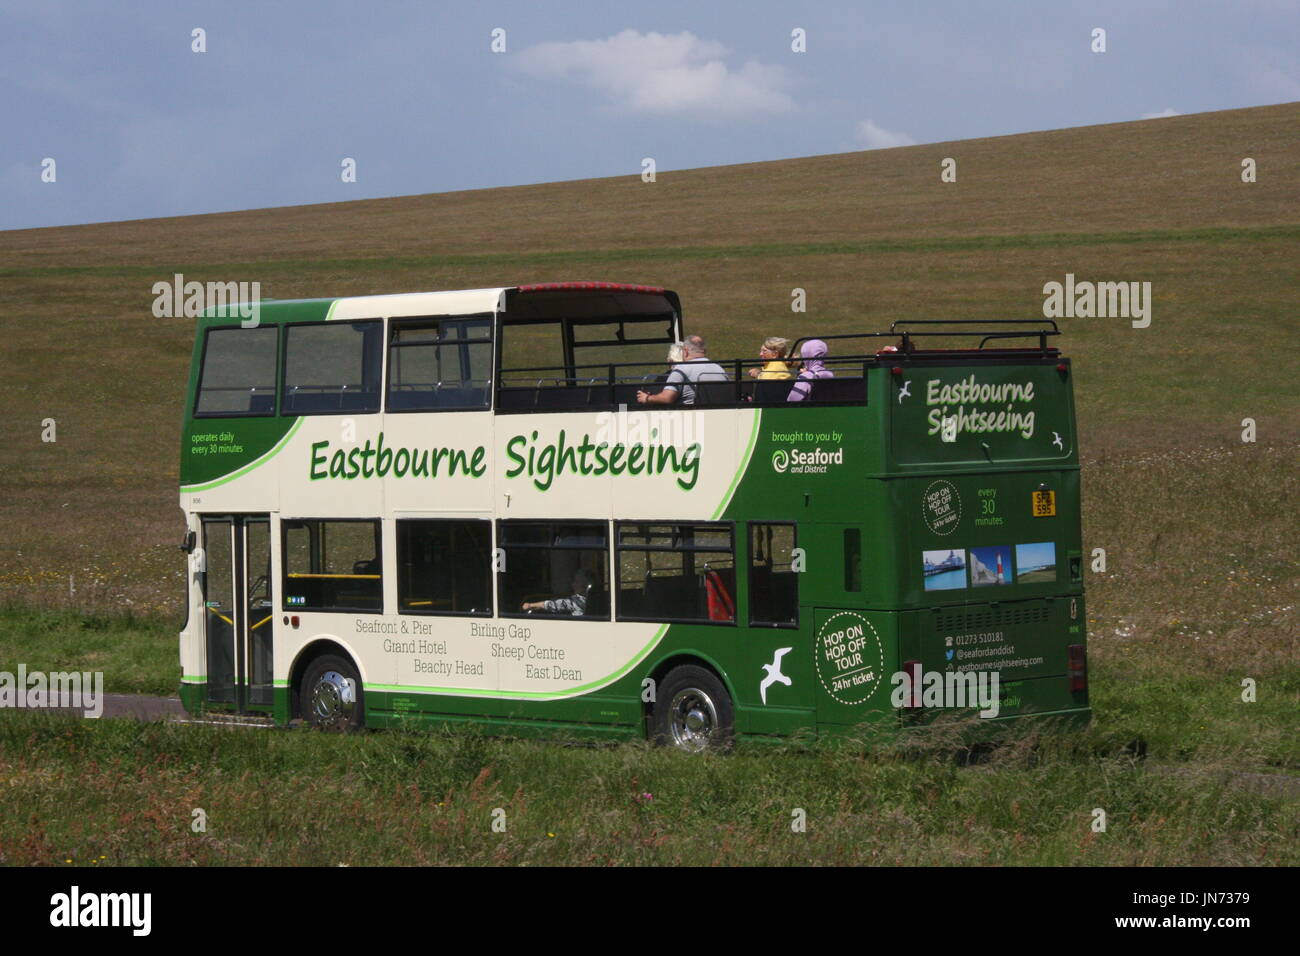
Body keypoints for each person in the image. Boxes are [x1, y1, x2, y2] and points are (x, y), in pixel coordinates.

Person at [636, 334, 727, 405]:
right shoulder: (718, 368)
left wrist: (647, 398)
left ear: (686, 351)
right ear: (704, 351)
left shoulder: (682, 369)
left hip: (691, 417)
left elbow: (667, 398)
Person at [522, 568, 592, 616]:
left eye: (577, 582)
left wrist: (530, 605)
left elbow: (554, 605)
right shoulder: (594, 599)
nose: (573, 584)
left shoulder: (578, 601)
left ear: (585, 585)